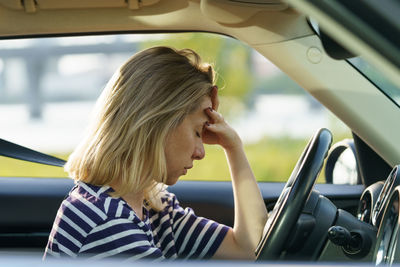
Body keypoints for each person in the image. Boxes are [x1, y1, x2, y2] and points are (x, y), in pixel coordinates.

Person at [43, 46, 268, 261]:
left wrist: (233, 147)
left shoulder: (153, 208)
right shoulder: (107, 221)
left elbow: (248, 250)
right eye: (198, 132)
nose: (201, 153)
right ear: (160, 124)